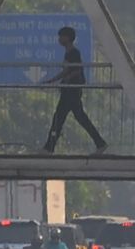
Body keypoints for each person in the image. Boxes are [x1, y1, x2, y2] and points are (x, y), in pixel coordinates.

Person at [42, 26, 108, 155]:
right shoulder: (69, 52)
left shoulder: (73, 52)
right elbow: (67, 71)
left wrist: (64, 79)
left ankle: (49, 148)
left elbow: (76, 70)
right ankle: (100, 143)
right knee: (73, 117)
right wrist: (52, 80)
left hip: (71, 91)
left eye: (61, 36)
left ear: (67, 38)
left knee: (61, 117)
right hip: (69, 90)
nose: (59, 39)